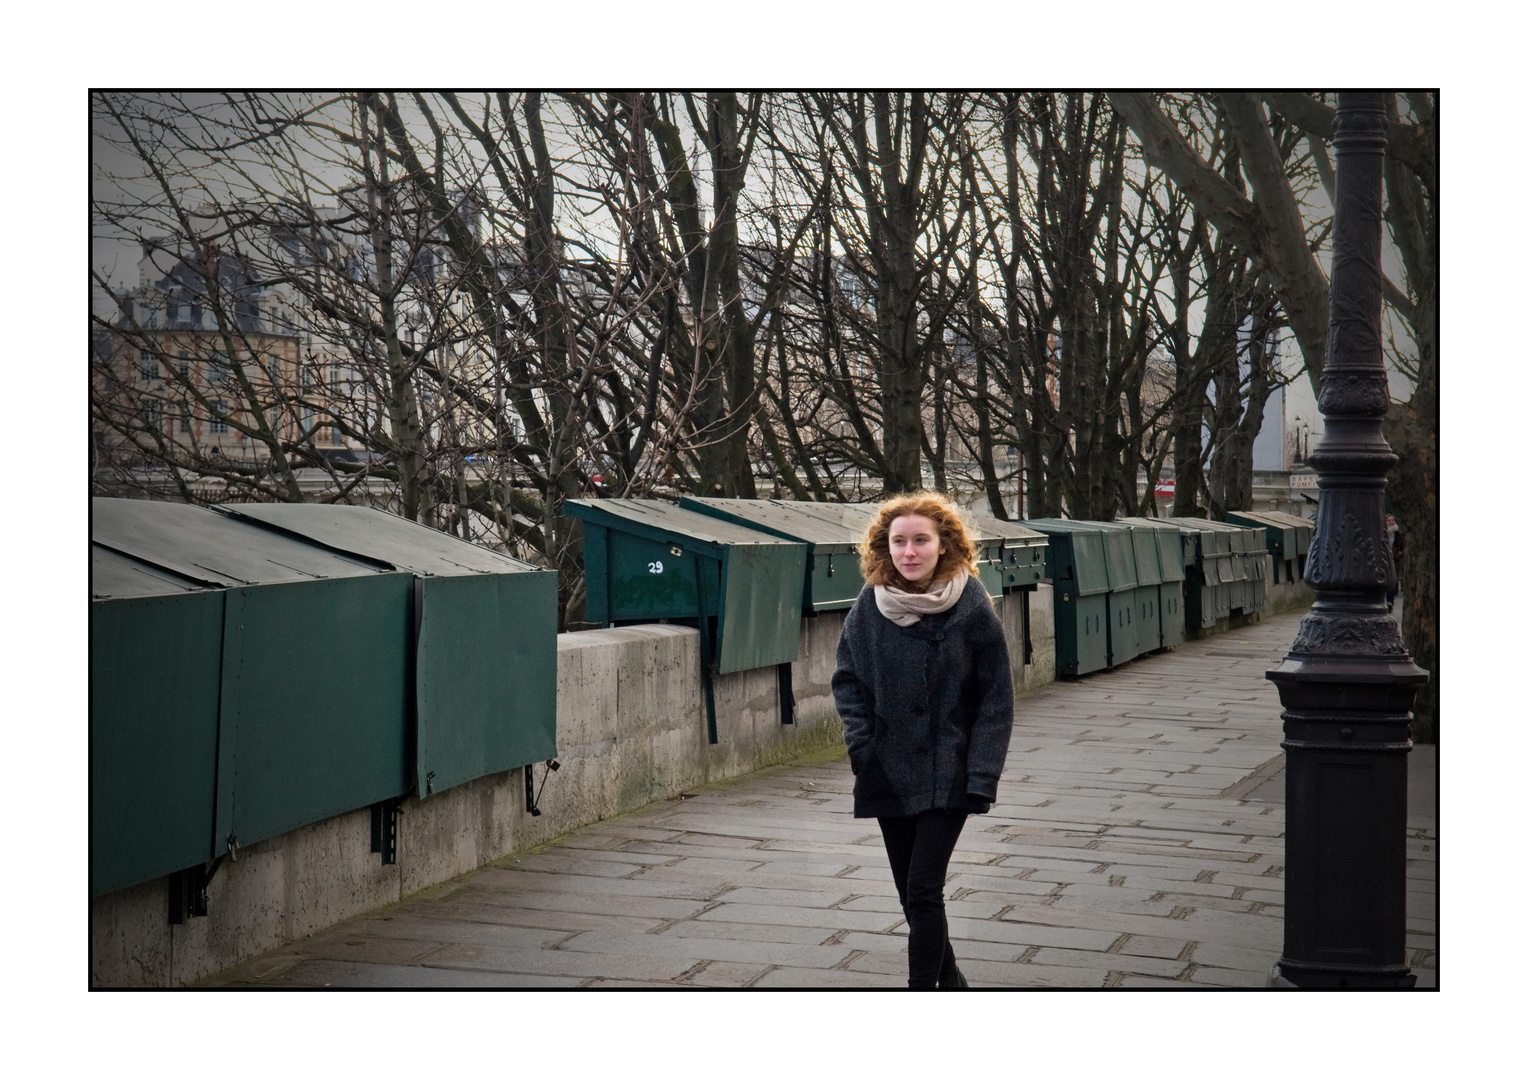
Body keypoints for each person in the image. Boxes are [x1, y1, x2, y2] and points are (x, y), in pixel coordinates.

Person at [831, 492, 1015, 988]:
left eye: (920, 541)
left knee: (923, 888)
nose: (909, 552)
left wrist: (981, 775)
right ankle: (953, 984)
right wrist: (862, 748)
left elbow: (996, 698)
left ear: (943, 545)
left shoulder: (972, 605)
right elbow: (847, 679)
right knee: (910, 894)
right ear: (884, 548)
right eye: (898, 542)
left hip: (948, 774)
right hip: (888, 772)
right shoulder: (870, 605)